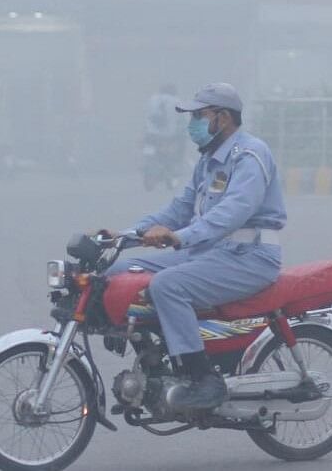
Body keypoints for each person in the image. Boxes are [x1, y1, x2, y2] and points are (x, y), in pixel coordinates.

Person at [98, 82, 286, 410]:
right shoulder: (209, 161)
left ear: (223, 118)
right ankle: (155, 367)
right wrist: (124, 236)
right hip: (209, 253)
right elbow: (178, 209)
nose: (192, 125)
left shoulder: (250, 155)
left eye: (199, 116)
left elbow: (234, 211)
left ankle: (203, 379)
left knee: (168, 286)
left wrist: (180, 237)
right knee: (116, 272)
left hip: (250, 257)